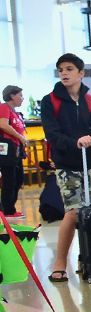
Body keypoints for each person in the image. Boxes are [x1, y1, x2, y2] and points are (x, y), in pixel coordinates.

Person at [40, 53, 91, 283]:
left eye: (69, 69)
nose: (64, 73)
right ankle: (60, 262)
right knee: (72, 212)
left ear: (81, 73)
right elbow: (52, 134)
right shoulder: (50, 101)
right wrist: (75, 142)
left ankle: (88, 257)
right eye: (61, 70)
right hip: (67, 164)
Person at [0, 85, 29, 218]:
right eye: (20, 95)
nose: (22, 99)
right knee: (9, 180)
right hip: (7, 150)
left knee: (18, 179)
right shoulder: (4, 107)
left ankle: (8, 207)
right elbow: (3, 125)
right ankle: (8, 210)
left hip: (16, 150)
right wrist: (20, 137)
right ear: (12, 95)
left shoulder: (15, 112)